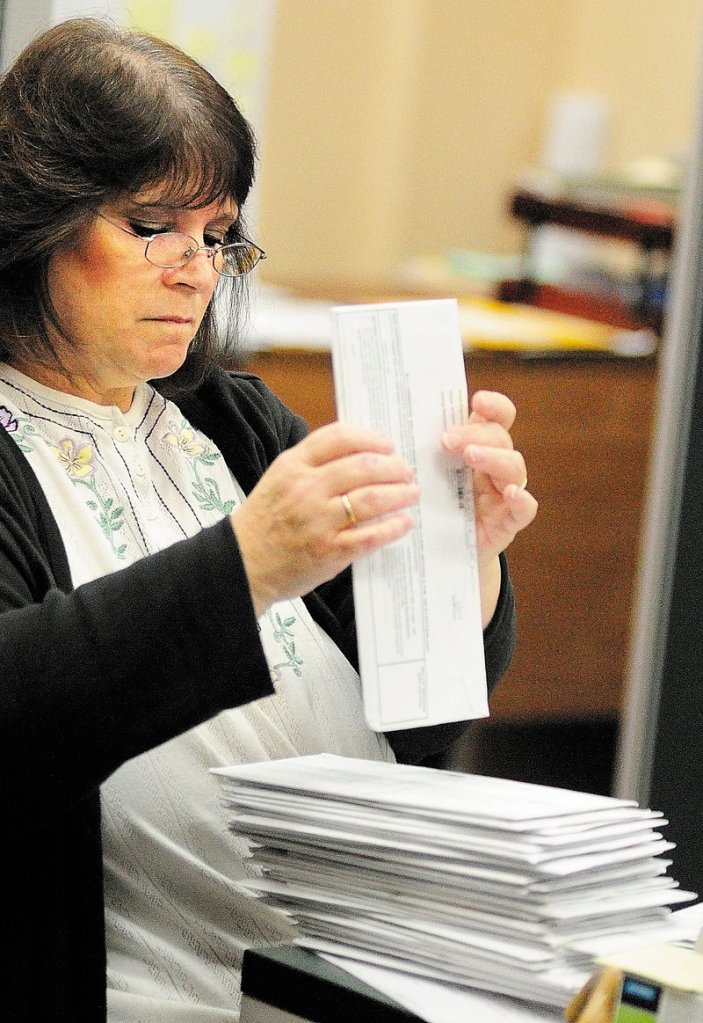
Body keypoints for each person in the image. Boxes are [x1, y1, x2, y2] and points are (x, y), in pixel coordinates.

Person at [0, 17, 538, 1023]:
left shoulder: (232, 419)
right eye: (152, 224)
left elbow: (419, 732)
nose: (195, 270)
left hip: (359, 964)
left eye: (216, 237)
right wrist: (242, 567)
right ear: (34, 221)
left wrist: (461, 567)